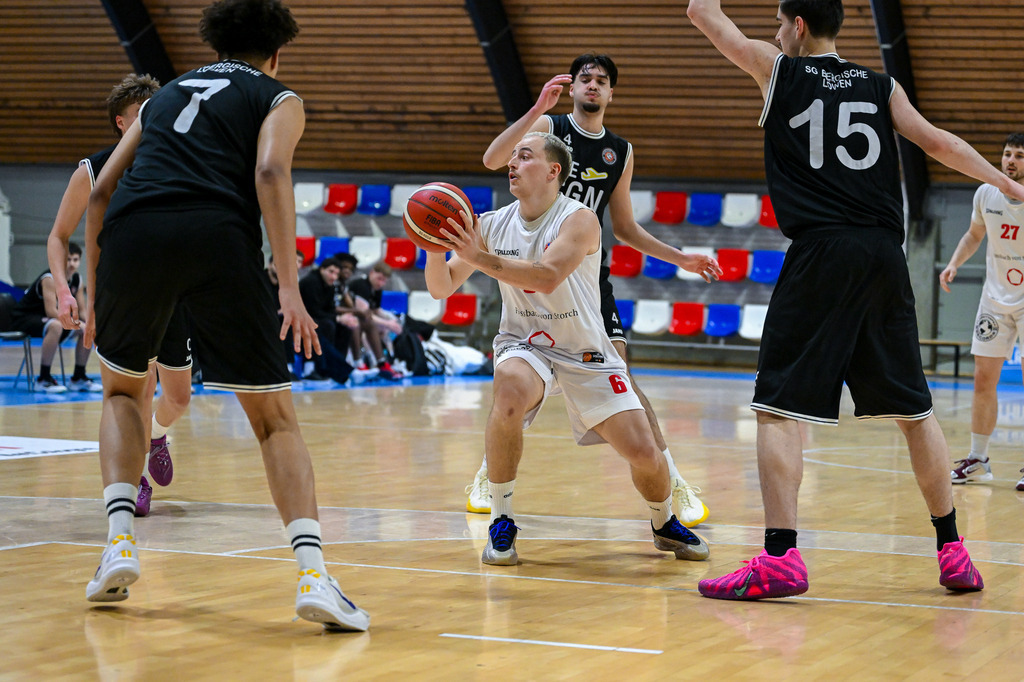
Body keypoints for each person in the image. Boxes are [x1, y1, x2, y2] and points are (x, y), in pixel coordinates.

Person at [686, 0, 1024, 599]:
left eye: (778, 24)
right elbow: (938, 143)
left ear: (797, 26)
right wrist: (1001, 181)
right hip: (883, 256)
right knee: (913, 409)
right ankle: (952, 551)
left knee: (777, 407)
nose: (772, 33)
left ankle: (780, 558)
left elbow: (701, 11)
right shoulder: (880, 84)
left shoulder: (777, 69)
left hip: (822, 252)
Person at [83, 0, 368, 631]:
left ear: (215, 46)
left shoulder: (163, 97)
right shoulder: (279, 96)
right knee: (272, 418)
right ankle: (313, 575)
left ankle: (118, 545)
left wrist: (96, 287)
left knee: (123, 391)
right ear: (277, 52)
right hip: (216, 233)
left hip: (134, 233)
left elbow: (102, 191)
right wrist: (289, 287)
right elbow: (270, 169)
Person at [425, 131, 710, 566]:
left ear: (553, 171)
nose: (512, 164)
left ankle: (662, 521)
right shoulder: (491, 223)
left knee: (644, 453)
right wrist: (432, 247)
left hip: (585, 351)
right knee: (508, 391)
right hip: (526, 342)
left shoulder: (579, 220)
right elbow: (442, 287)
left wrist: (476, 256)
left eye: (524, 156)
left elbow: (546, 276)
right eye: (512, 158)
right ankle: (501, 521)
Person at [475, 53, 721, 526]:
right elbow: (491, 159)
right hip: (533, 268)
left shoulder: (620, 151)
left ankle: (671, 477)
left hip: (585, 281)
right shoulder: (547, 129)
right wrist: (535, 110)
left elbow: (625, 229)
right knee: (515, 382)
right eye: (585, 78)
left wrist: (682, 258)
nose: (592, 85)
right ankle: (490, 471)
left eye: (601, 81)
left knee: (622, 376)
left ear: (611, 94)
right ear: (573, 89)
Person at [45, 73, 190, 517]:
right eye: (144, 114)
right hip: (119, 295)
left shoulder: (176, 165)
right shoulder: (93, 170)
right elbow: (58, 236)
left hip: (173, 291)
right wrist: (72, 296)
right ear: (122, 122)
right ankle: (137, 480)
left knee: (179, 398)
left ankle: (157, 435)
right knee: (136, 393)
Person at [940, 133, 1024, 492]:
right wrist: (954, 263)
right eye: (1007, 154)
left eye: (1019, 156)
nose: (1010, 161)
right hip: (994, 299)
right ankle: (978, 459)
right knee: (982, 380)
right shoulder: (985, 193)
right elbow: (975, 234)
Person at [10, 243, 100, 393]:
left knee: (86, 329)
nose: (72, 264)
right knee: (56, 325)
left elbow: (83, 311)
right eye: (68, 259)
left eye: (75, 260)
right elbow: (52, 311)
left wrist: (91, 324)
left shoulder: (77, 279)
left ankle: (78, 378)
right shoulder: (49, 278)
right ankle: (43, 379)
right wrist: (77, 324)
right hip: (25, 318)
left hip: (50, 320)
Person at [347, 262, 404, 379]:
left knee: (385, 328)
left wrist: (392, 320)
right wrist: (388, 324)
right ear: (372, 273)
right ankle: (370, 362)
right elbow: (364, 313)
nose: (380, 283)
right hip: (352, 318)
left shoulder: (377, 289)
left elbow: (376, 310)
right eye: (379, 279)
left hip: (362, 318)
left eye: (384, 280)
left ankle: (387, 361)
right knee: (373, 326)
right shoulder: (361, 285)